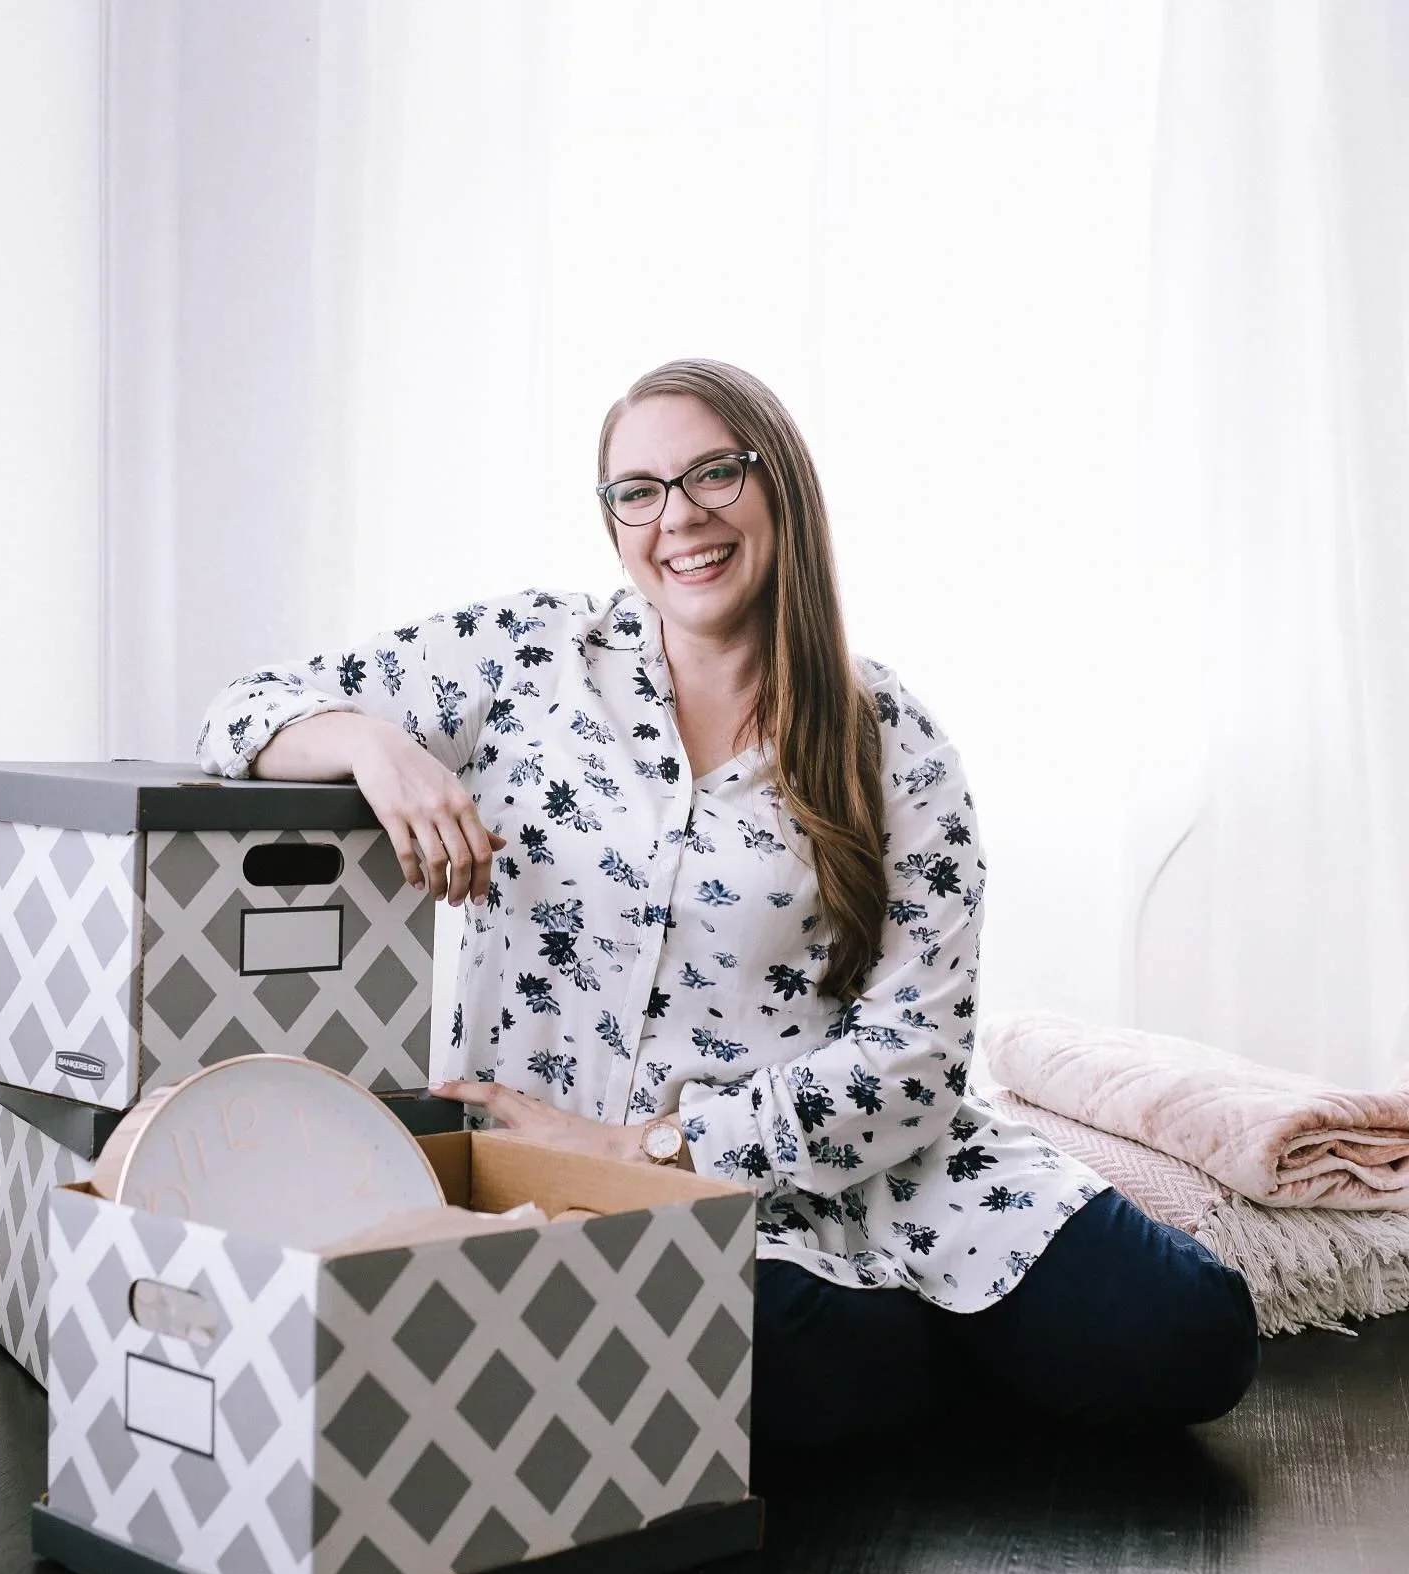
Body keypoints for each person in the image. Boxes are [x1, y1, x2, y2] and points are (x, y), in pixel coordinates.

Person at [198, 356, 1260, 1449]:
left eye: (714, 473)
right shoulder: (523, 656)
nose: (680, 518)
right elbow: (241, 707)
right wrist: (375, 747)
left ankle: (919, 1341)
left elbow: (916, 1052)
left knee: (1191, 1336)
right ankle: (908, 1355)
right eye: (640, 492)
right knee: (794, 1351)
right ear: (612, 520)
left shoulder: (890, 733)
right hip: (583, 1179)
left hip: (865, 1158)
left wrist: (661, 1146)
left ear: (778, 484)